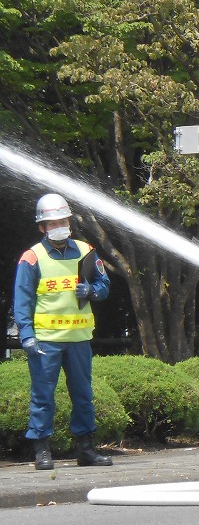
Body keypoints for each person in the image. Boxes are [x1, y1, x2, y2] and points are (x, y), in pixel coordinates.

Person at [14, 193, 112, 470]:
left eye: (63, 220)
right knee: (42, 396)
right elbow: (22, 300)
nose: (59, 225)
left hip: (79, 339)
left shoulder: (85, 251)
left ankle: (86, 450)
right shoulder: (32, 258)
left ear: (69, 221)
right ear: (42, 227)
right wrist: (27, 335)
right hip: (46, 341)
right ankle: (42, 451)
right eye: (52, 222)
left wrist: (92, 290)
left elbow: (104, 286)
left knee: (83, 395)